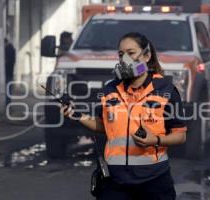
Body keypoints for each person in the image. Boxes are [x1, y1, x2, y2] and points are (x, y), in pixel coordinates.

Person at [61, 32, 187, 200]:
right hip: (114, 182)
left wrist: (155, 140)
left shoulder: (166, 90)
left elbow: (180, 135)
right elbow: (102, 125)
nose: (125, 59)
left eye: (131, 53)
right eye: (121, 54)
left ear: (147, 56)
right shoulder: (109, 90)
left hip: (154, 181)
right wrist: (75, 114)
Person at [4, 38, 16, 106]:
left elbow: (6, 61)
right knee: (8, 91)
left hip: (7, 73)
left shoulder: (7, 50)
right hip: (10, 73)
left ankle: (7, 105)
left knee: (7, 90)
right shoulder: (12, 49)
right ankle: (8, 105)